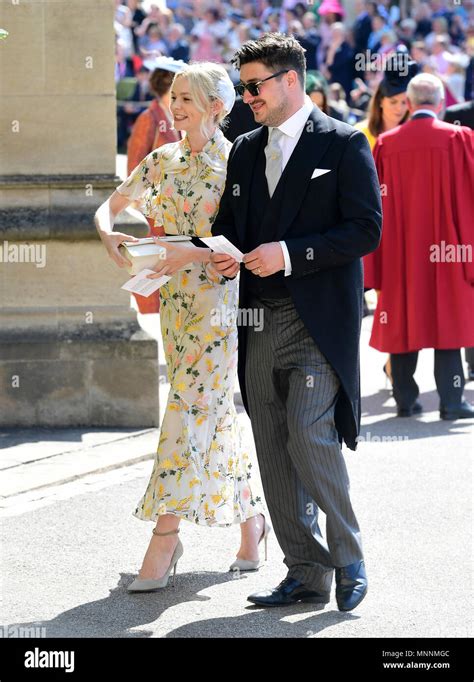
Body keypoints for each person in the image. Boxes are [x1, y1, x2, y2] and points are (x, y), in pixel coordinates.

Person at [210, 33, 382, 611]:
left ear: (290, 81)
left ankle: (347, 554)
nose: (247, 97)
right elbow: (231, 225)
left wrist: (289, 253)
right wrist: (210, 252)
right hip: (256, 318)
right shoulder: (243, 148)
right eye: (242, 88)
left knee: (310, 432)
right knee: (273, 444)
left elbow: (365, 230)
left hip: (318, 320)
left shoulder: (344, 143)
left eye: (254, 86)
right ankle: (305, 572)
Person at [95, 62, 270, 593]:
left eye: (189, 97)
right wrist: (109, 234)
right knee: (210, 410)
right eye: (175, 96)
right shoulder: (161, 159)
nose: (178, 105)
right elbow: (112, 204)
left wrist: (186, 251)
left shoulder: (237, 161)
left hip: (218, 302)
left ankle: (165, 534)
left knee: (189, 403)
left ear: (219, 105)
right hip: (170, 299)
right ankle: (252, 523)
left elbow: (244, 243)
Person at [365, 73, 474, 420]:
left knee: (403, 319)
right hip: (450, 250)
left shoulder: (386, 143)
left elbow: (375, 206)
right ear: (441, 104)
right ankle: (452, 403)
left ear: (408, 104)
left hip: (401, 252)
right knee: (448, 323)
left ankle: (405, 400)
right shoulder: (460, 137)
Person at [126, 56, 185, 315]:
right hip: (154, 212)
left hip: (178, 210)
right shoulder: (148, 119)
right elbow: (134, 170)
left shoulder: (179, 120)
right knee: (153, 273)